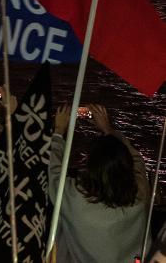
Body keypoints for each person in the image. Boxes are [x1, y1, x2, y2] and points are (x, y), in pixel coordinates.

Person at [49, 103, 148, 263]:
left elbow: (53, 172)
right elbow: (137, 161)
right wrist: (108, 130)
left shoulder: (76, 198)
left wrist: (59, 132)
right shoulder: (139, 194)